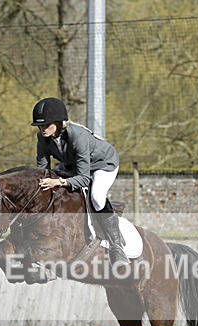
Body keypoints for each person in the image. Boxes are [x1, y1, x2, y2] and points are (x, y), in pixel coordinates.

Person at [33, 97, 128, 267]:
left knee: (96, 197)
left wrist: (59, 182)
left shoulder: (77, 136)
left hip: (103, 164)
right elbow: (42, 170)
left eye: (47, 125)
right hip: (74, 164)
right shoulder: (42, 137)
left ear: (58, 123)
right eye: (40, 126)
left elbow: (84, 178)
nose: (43, 129)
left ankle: (117, 246)